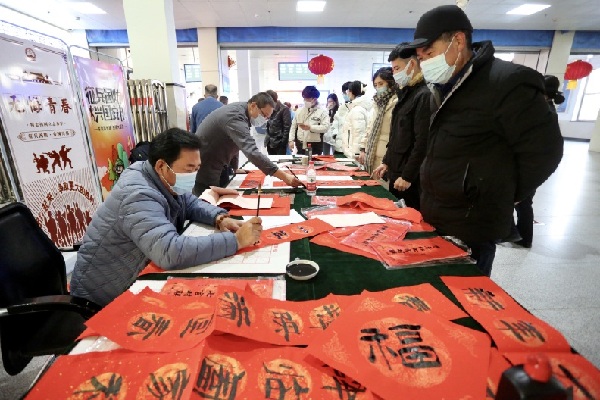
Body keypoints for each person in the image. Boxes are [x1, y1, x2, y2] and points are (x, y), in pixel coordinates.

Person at [404, 5, 563, 275]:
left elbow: (545, 151)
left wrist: (501, 193)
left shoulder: (507, 82)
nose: (424, 62)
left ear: (458, 40)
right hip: (435, 213)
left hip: (472, 223)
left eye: (429, 53)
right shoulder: (443, 86)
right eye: (420, 57)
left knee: (466, 301)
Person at [70, 128, 263, 307]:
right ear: (162, 165)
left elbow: (189, 202)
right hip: (103, 296)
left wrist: (219, 218)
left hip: (135, 275)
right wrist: (236, 241)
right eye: (189, 169)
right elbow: (169, 252)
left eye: (197, 168)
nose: (193, 175)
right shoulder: (138, 194)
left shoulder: (158, 177)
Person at [193, 92, 302, 195]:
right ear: (254, 105)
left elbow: (234, 142)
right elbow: (252, 152)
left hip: (221, 162)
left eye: (267, 118)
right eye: (264, 115)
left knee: (224, 192)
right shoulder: (235, 116)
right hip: (208, 162)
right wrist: (284, 177)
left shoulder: (243, 112)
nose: (264, 120)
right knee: (207, 199)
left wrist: (235, 168)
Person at [508, 75, 567, 248]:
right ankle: (518, 235)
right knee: (521, 202)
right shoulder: (545, 110)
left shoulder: (544, 114)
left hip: (528, 166)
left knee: (521, 202)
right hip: (529, 165)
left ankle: (522, 237)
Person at [372, 44, 431, 209]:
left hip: (409, 180)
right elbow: (396, 136)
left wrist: (408, 176)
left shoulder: (423, 95)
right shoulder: (405, 95)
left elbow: (422, 142)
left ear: (412, 65)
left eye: (397, 68)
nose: (395, 74)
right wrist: (386, 162)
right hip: (396, 173)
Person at [358, 67, 398, 175]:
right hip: (372, 152)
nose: (378, 87)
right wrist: (363, 148)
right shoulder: (377, 103)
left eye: (381, 83)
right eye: (375, 85)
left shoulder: (397, 102)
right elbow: (370, 127)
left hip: (386, 155)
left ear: (390, 82)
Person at [288, 86, 330, 155]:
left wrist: (311, 127)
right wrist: (291, 140)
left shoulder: (322, 112)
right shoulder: (299, 111)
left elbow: (326, 127)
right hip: (300, 144)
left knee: (315, 164)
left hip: (315, 144)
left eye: (307, 99)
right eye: (304, 98)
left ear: (314, 99)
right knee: (301, 163)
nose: (305, 101)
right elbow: (293, 126)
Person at [341, 81, 372, 159]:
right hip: (352, 151)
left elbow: (359, 133)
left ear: (352, 92)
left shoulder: (357, 110)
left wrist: (356, 154)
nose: (347, 93)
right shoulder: (356, 107)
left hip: (354, 153)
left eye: (348, 91)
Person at [264, 90, 292, 155]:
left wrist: (283, 143)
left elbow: (287, 127)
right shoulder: (269, 108)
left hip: (279, 142)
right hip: (269, 141)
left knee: (280, 162)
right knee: (272, 161)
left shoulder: (284, 109)